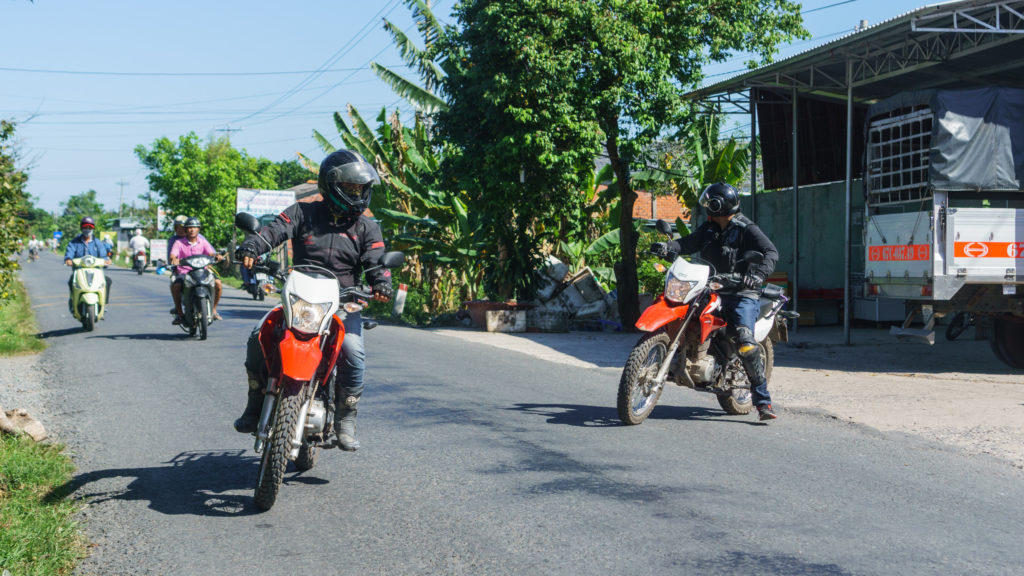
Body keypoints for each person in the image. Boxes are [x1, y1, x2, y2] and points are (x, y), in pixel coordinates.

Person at [233, 149, 393, 451]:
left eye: (361, 188)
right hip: (300, 296)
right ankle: (255, 405)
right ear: (331, 185)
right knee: (258, 336)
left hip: (344, 302)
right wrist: (253, 247)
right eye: (350, 188)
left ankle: (346, 418)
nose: (357, 193)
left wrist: (381, 282)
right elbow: (272, 232)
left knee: (352, 350)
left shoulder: (366, 226)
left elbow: (375, 261)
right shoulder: (302, 212)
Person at [658, 182, 780, 420]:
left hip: (741, 292)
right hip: (711, 286)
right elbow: (689, 242)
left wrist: (756, 275)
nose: (706, 208)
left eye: (710, 203)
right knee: (685, 312)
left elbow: (770, 252)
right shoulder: (710, 228)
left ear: (719, 205)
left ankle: (763, 401)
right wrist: (668, 246)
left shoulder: (746, 228)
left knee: (745, 339)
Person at [169, 217, 223, 323]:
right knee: (176, 286)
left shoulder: (203, 242)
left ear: (198, 229)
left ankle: (213, 309)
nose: (192, 230)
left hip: (203, 271)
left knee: (218, 283)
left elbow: (211, 253)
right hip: (185, 272)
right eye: (189, 227)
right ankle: (180, 314)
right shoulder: (178, 243)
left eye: (194, 227)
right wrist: (174, 259)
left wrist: (217, 256)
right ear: (185, 230)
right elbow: (172, 255)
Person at [63, 217, 112, 303]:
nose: (87, 230)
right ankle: (74, 301)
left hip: (96, 272)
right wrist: (68, 259)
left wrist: (106, 260)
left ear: (93, 228)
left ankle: (103, 303)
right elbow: (69, 252)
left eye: (90, 227)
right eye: (85, 227)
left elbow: (103, 255)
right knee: (71, 281)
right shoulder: (74, 242)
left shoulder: (98, 243)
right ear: (81, 228)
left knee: (107, 281)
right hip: (79, 271)